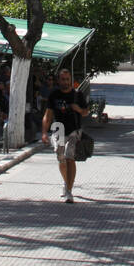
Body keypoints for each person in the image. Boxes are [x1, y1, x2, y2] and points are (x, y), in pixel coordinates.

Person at [42, 67, 89, 204]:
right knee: (61, 158)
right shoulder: (54, 95)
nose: (65, 82)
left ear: (71, 80)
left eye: (68, 79)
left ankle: (69, 191)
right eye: (63, 79)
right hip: (58, 128)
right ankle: (66, 182)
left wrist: (79, 109)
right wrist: (44, 132)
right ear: (59, 81)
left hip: (74, 129)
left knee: (69, 157)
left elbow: (86, 112)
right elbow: (48, 114)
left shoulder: (77, 95)